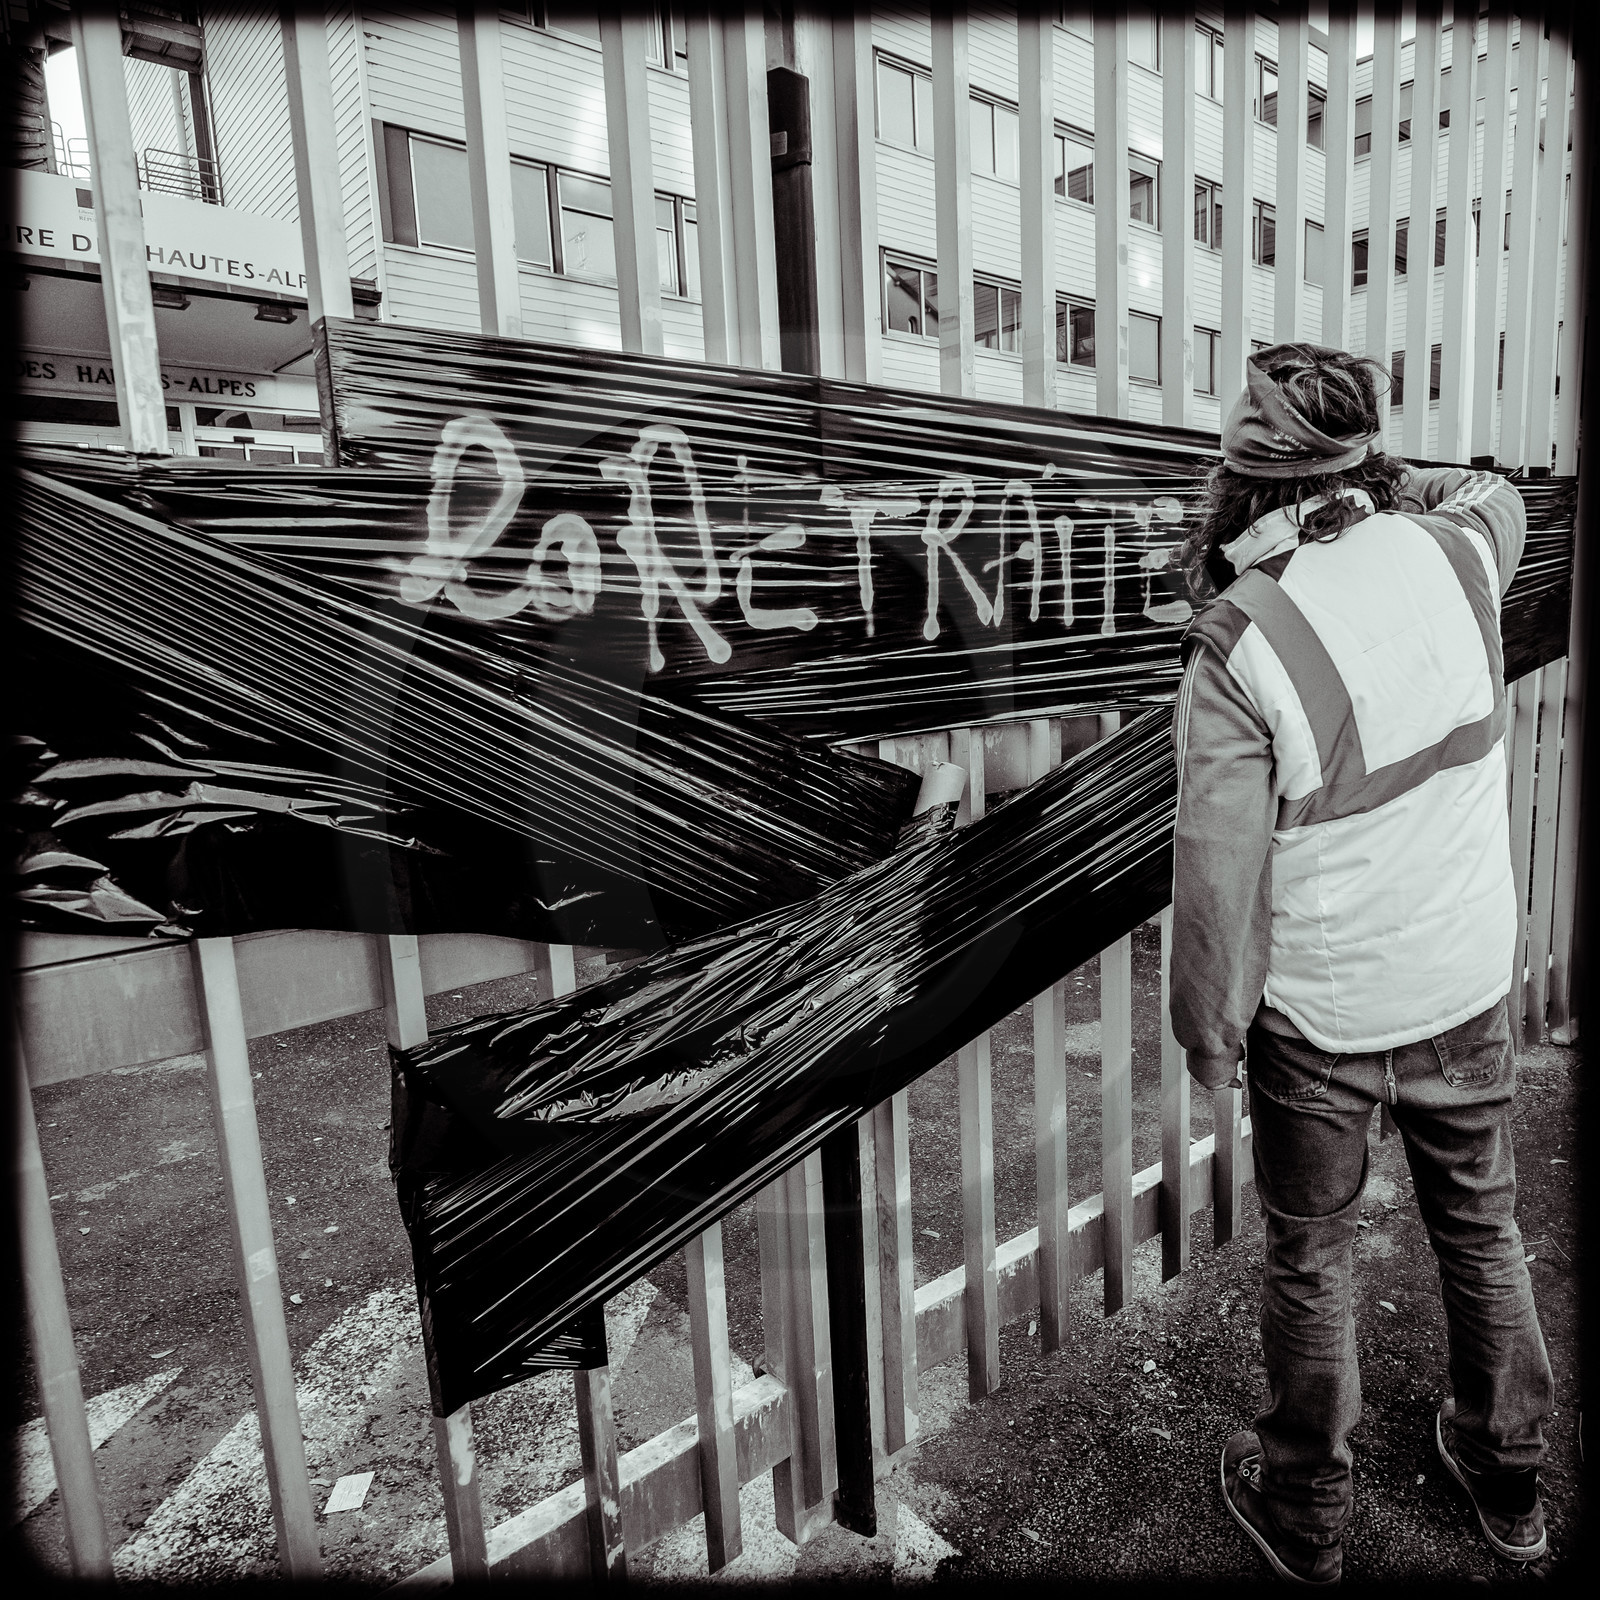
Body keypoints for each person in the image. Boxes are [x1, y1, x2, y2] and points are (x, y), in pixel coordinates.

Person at [1168, 344, 1554, 1586]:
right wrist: (1377, 478)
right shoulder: (1455, 553)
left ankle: (1306, 1516)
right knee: (1481, 1228)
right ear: (1369, 456)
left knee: (1311, 1255)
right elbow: (1494, 489)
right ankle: (1508, 1479)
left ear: (1235, 480)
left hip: (1323, 1016)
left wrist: (1207, 1034)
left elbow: (1215, 883)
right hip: (1461, 977)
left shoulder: (1242, 638)